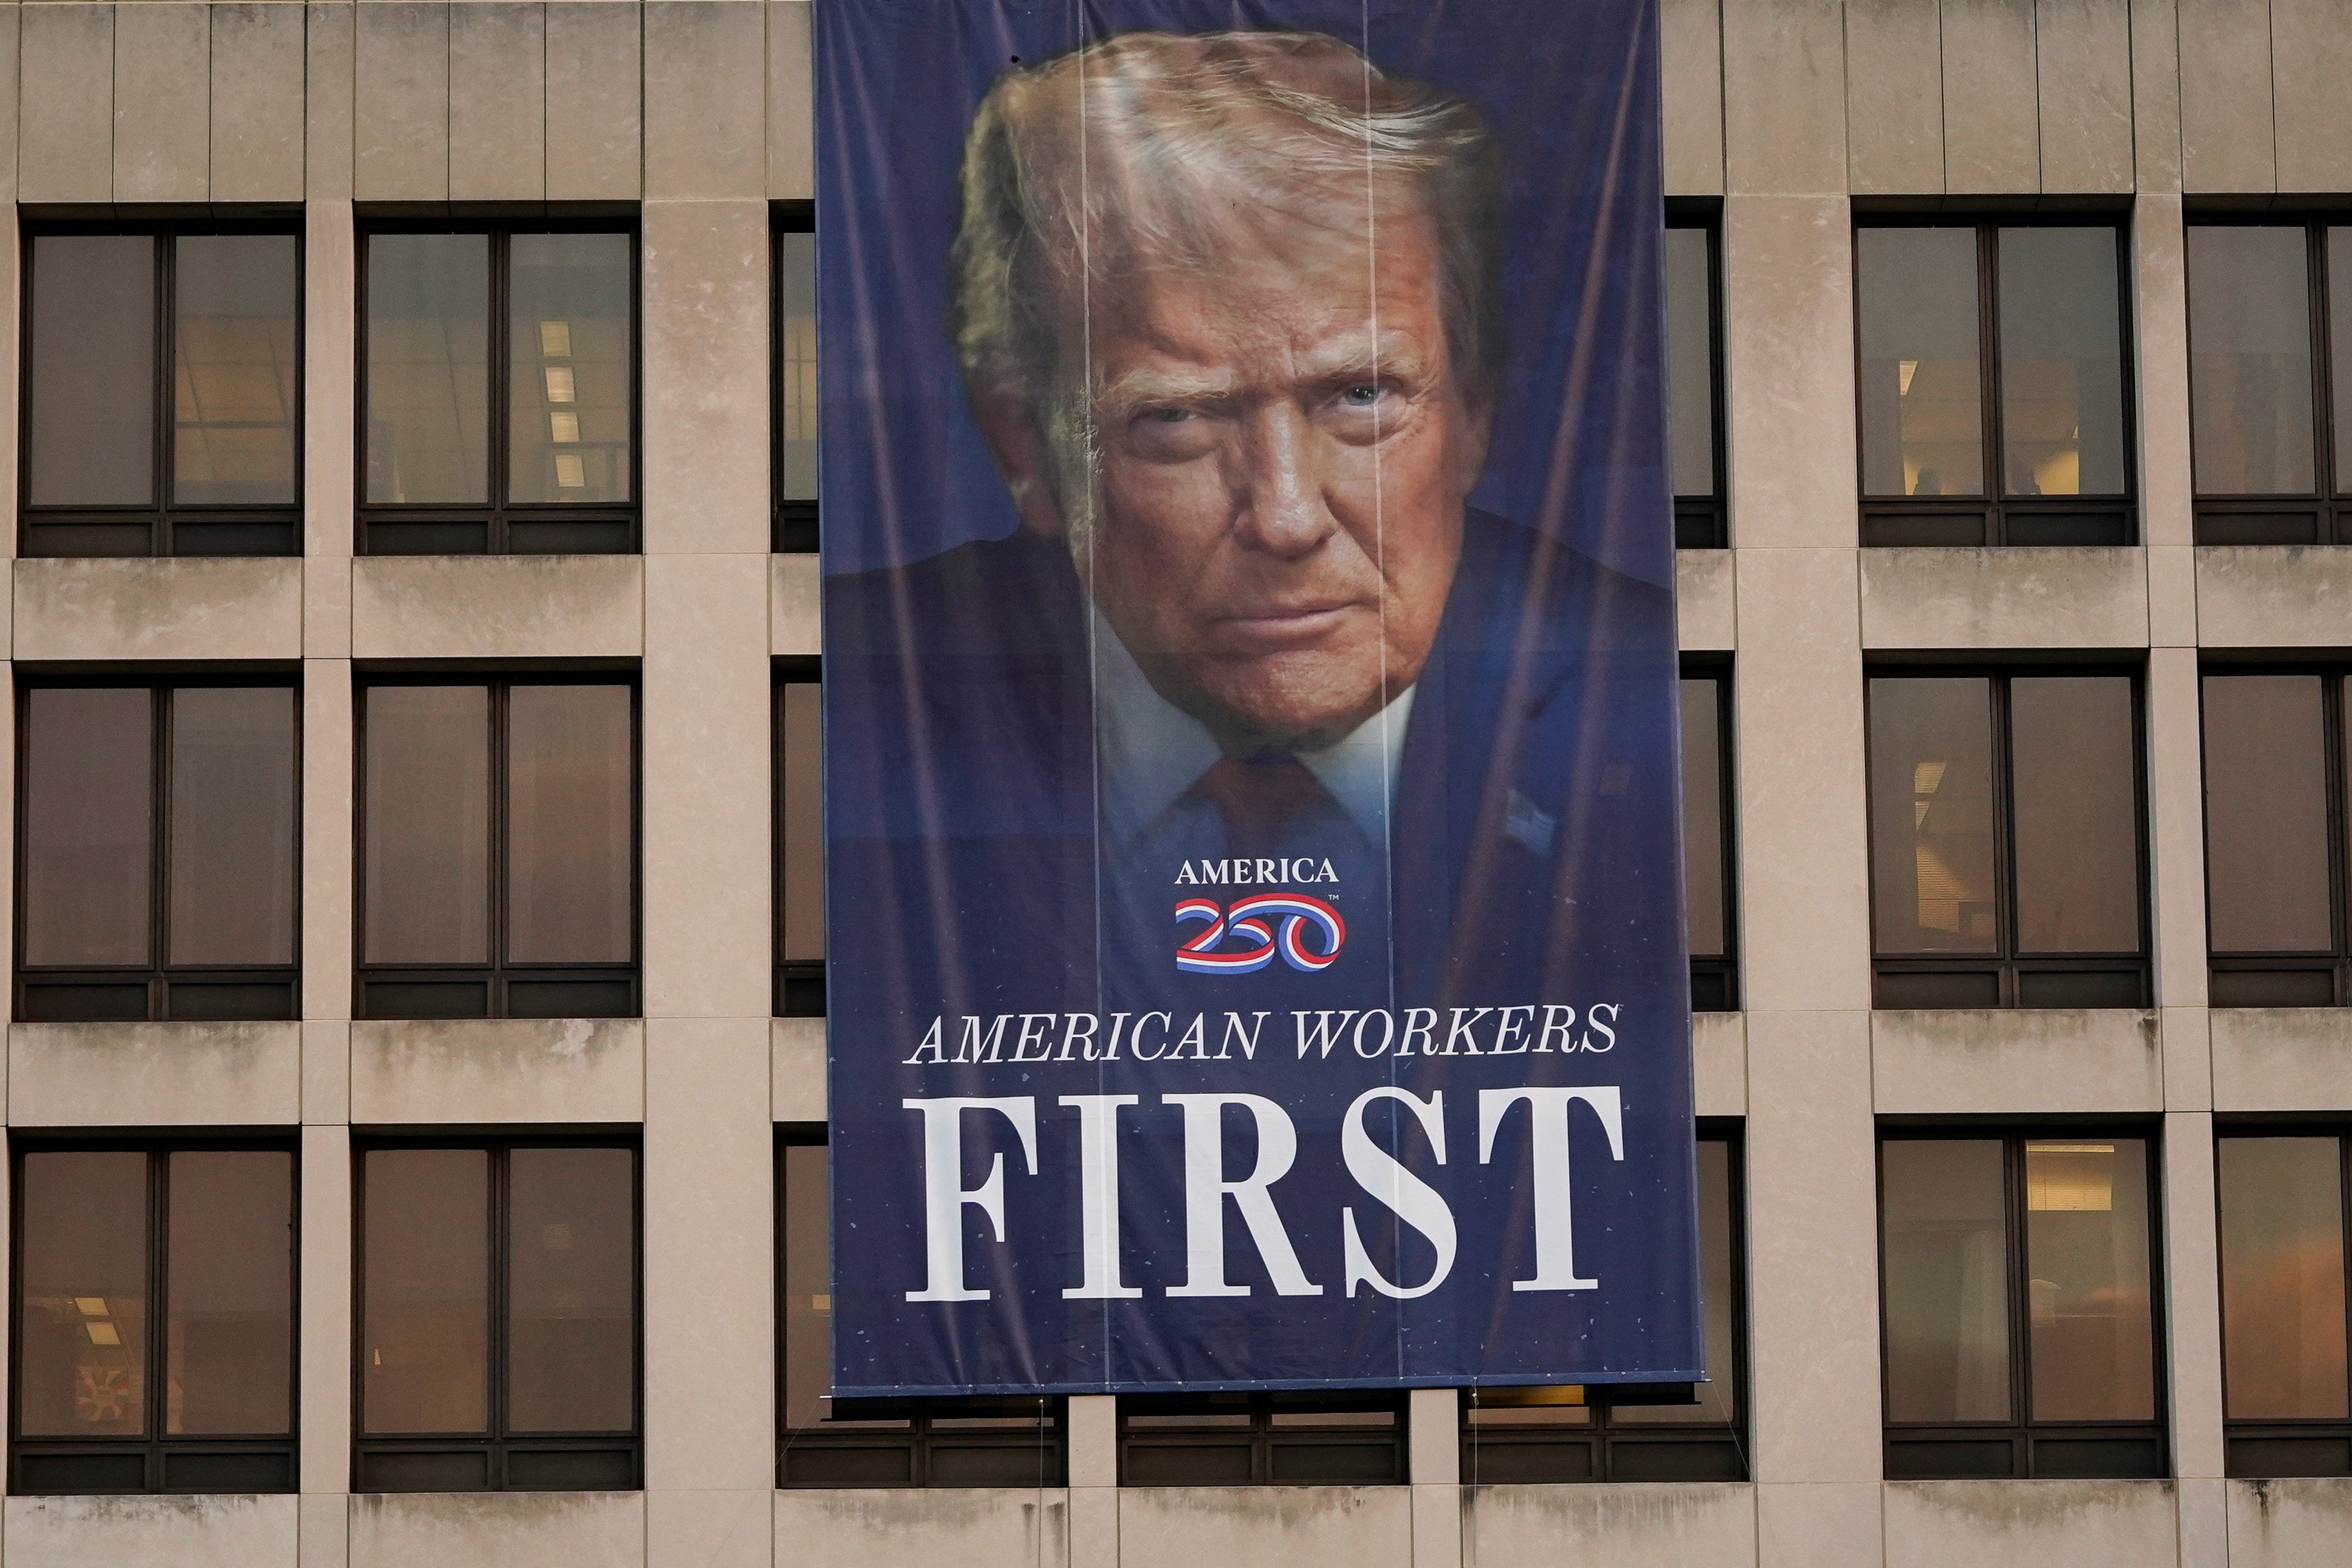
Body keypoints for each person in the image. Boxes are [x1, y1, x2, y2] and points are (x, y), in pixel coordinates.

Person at [826, 28, 1679, 1017]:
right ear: (1027, 444)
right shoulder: (852, 699)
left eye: (1360, 396)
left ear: (1473, 411)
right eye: (1179, 417)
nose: (1283, 518)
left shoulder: (1646, 689)